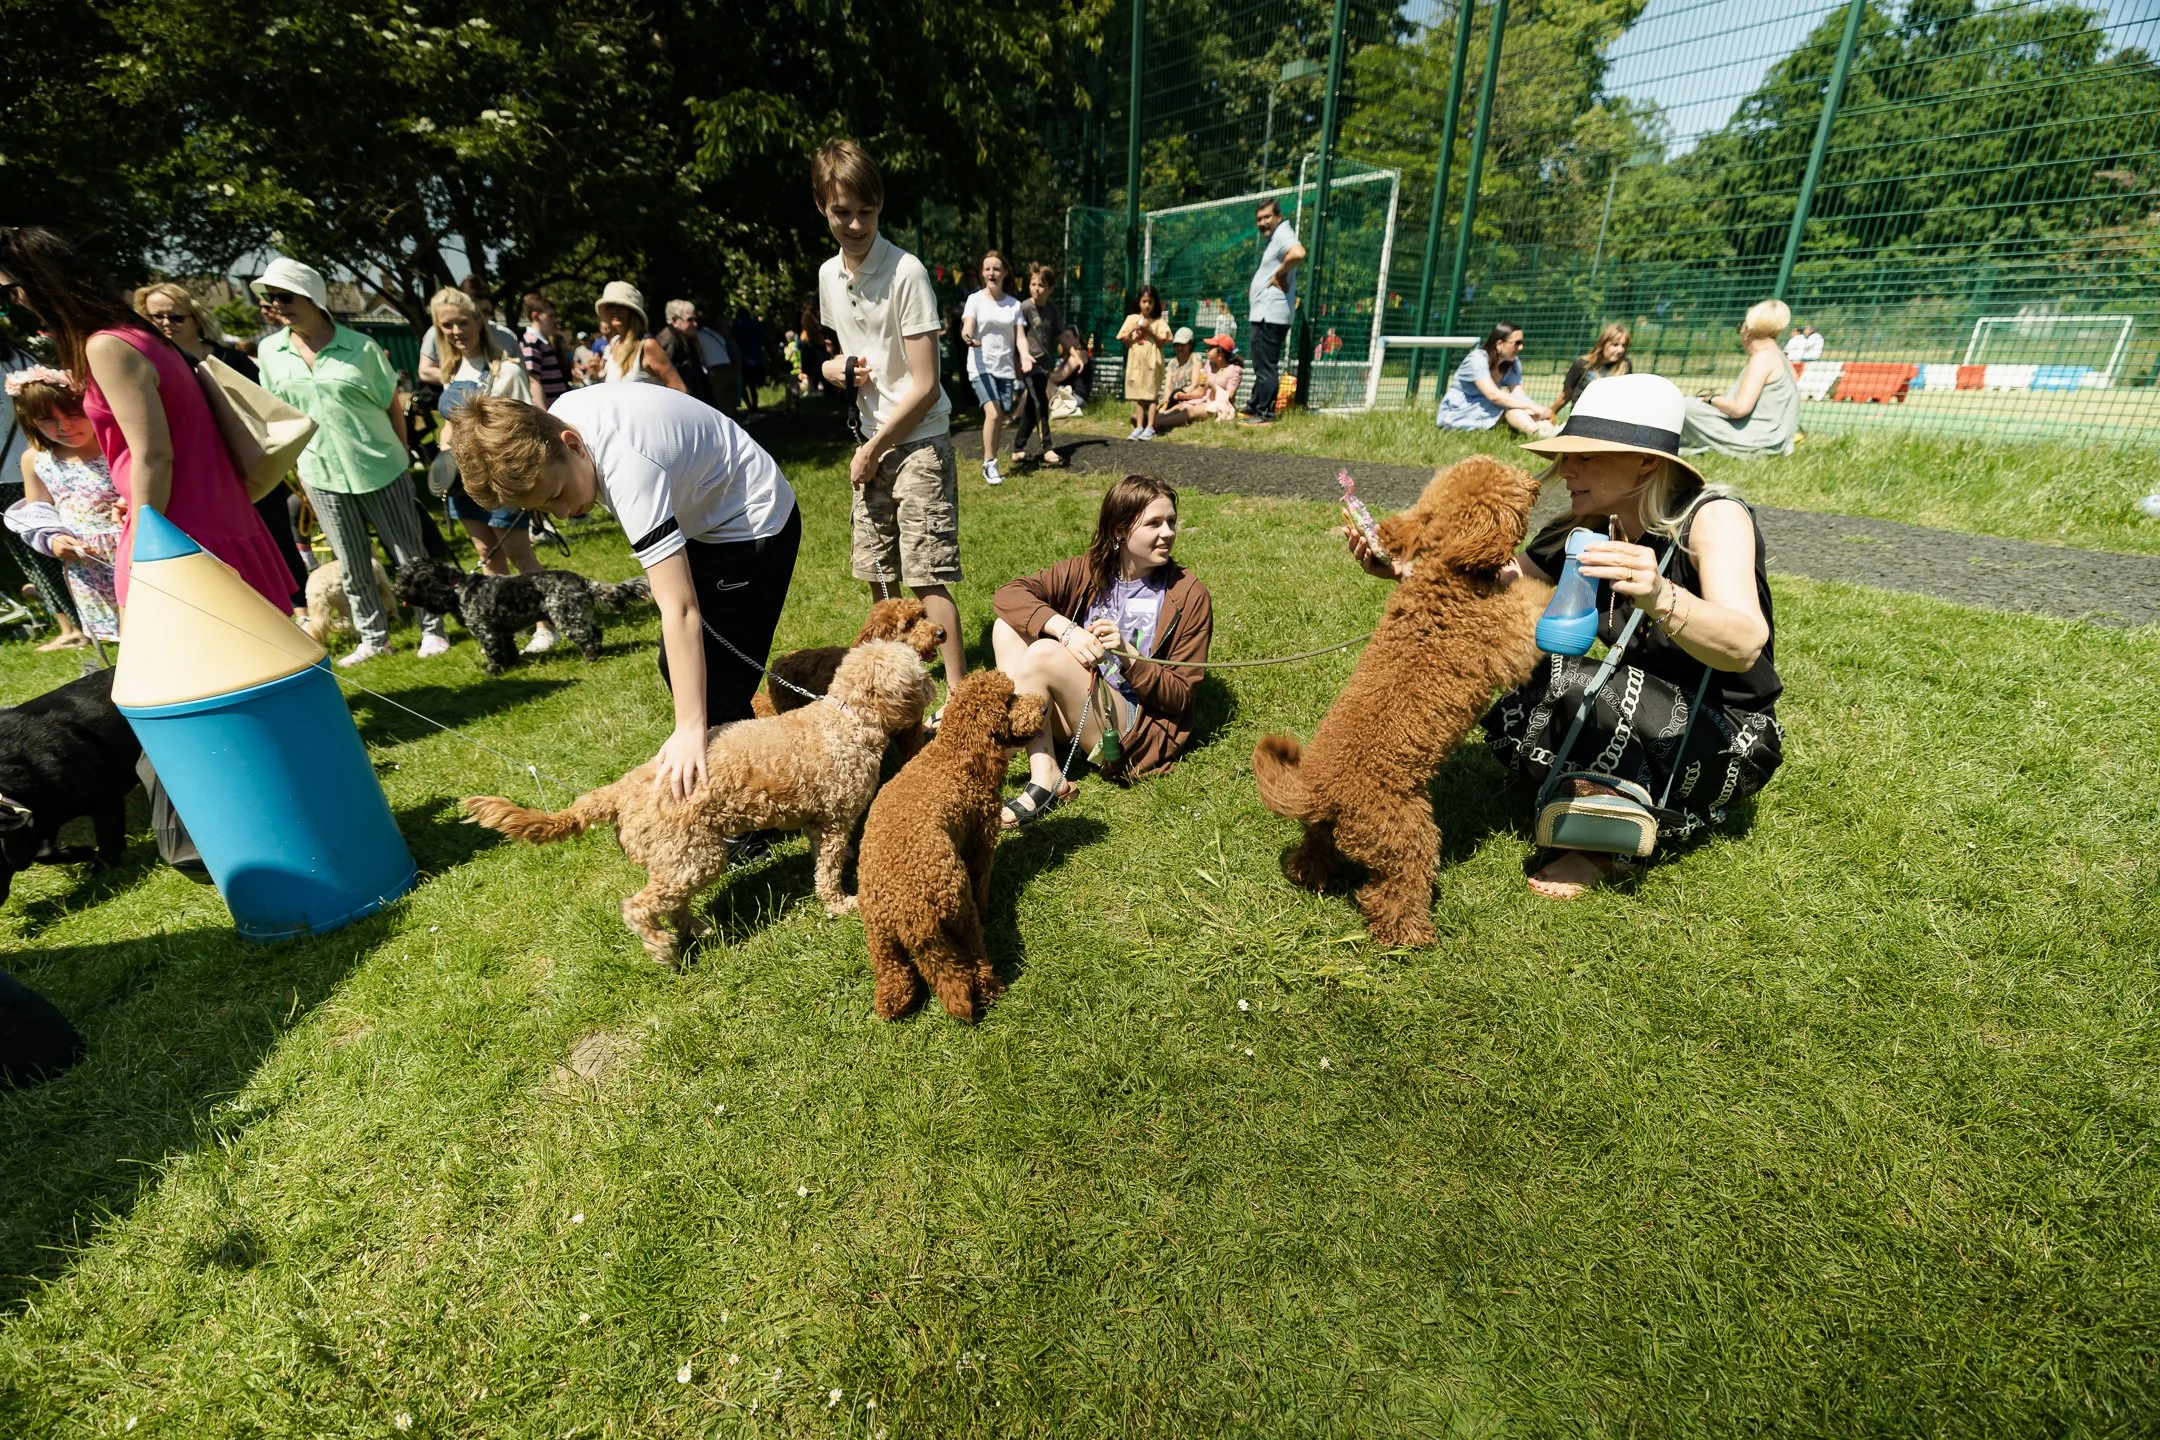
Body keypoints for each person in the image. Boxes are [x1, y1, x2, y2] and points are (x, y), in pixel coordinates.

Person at [1349, 373, 1781, 900]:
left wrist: (1659, 593)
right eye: (1565, 454)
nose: (1566, 468)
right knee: (1511, 671)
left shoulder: (1712, 518)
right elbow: (1500, 587)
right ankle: (1607, 794)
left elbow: (1744, 645)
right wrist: (1406, 570)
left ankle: (1603, 844)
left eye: (1586, 456)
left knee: (1573, 682)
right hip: (1637, 706)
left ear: (1647, 463)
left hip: (1728, 734)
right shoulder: (1589, 524)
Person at [444, 385, 799, 800]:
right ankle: (752, 779)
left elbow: (680, 609)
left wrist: (688, 729)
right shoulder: (556, 423)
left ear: (572, 445)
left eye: (557, 495)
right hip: (703, 517)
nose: (563, 513)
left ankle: (759, 804)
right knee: (684, 670)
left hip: (752, 521)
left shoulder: (628, 468)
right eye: (544, 509)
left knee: (718, 683)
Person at [0, 226, 291, 612]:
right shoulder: (135, 335)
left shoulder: (106, 345)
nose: (15, 302)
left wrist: (143, 532)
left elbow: (154, 454)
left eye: (10, 290)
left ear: (41, 281)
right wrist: (134, 499)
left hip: (177, 526)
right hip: (195, 512)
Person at [812, 136, 967, 686]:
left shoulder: (907, 273)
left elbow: (925, 385)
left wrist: (874, 449)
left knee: (926, 572)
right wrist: (833, 369)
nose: (856, 225)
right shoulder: (828, 276)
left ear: (880, 207)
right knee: (879, 575)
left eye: (868, 211)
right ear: (822, 207)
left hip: (918, 440)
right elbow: (839, 355)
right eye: (842, 212)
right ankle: (899, 688)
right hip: (870, 441)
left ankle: (956, 695)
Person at [253, 257, 449, 664]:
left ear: (311, 298)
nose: (277, 305)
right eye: (272, 297)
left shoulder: (362, 347)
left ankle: (433, 628)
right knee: (351, 562)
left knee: (409, 555)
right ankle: (374, 637)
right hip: (319, 472)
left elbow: (391, 405)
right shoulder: (270, 351)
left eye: (285, 296)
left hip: (380, 466)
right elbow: (278, 414)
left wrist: (401, 456)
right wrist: (295, 468)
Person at [991, 474, 1213, 827]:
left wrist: (1128, 656)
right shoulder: (1090, 570)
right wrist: (1067, 631)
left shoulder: (1188, 594)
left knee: (1044, 653)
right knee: (1007, 628)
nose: (1168, 533)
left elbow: (1180, 698)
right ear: (1120, 530)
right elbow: (1008, 596)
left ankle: (1038, 770)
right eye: (1154, 523)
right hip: (1079, 707)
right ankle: (1027, 748)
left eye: (1171, 521)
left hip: (1134, 730)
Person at [133, 280, 312, 612]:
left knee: (275, 532)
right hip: (197, 469)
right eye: (157, 317)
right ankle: (244, 610)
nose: (167, 323)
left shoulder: (231, 358)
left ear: (196, 318)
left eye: (176, 316)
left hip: (247, 461)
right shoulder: (152, 364)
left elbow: (264, 409)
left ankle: (297, 605)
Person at [427, 286, 563, 655]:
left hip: (499, 476)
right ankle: (506, 626)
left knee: (519, 552)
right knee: (488, 554)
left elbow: (521, 427)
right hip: (461, 479)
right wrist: (445, 445)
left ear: (479, 321)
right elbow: (450, 422)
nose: (456, 331)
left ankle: (546, 624)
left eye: (462, 322)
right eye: (447, 325)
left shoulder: (506, 370)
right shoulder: (451, 370)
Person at [4, 367, 113, 647]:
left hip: (135, 555)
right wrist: (53, 540)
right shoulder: (36, 460)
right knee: (122, 640)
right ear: (31, 420)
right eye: (47, 419)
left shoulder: (115, 446)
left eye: (74, 414)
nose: (63, 426)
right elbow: (37, 513)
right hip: (89, 567)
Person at [1681, 299, 1801, 460]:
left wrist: (1711, 399)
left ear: (1747, 330)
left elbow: (1739, 409)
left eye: (1740, 327)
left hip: (1755, 443)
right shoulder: (1780, 356)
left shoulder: (1763, 358)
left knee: (1684, 405)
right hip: (1773, 442)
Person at [961, 250, 1029, 485]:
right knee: (993, 412)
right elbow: (968, 326)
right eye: (987, 268)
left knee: (1001, 413)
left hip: (1005, 368)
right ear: (983, 273)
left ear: (1005, 273)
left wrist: (1025, 357)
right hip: (980, 366)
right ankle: (989, 463)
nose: (992, 273)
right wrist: (968, 338)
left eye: (996, 269)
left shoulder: (1014, 305)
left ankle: (991, 460)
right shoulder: (975, 300)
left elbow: (1020, 337)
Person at [1239, 197, 1306, 425]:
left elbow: (1298, 253)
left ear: (1278, 217)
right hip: (1263, 312)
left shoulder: (1283, 233)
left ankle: (1264, 413)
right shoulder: (1275, 239)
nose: (1263, 222)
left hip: (1271, 314)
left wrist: (1279, 273)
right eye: (1259, 219)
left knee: (1266, 364)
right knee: (1260, 362)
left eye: (1267, 217)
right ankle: (1255, 405)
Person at [1436, 322, 1556, 437]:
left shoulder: (1512, 363)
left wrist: (1537, 410)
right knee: (1511, 405)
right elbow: (1493, 395)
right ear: (1499, 344)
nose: (1521, 347)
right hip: (1461, 412)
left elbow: (1519, 395)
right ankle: (1538, 433)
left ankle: (1547, 430)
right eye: (1517, 343)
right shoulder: (1476, 359)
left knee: (1517, 406)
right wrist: (1532, 407)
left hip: (1487, 409)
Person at [1009, 264, 1066, 468]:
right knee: (1040, 401)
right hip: (1028, 364)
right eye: (1033, 284)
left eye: (1041, 285)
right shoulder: (1024, 308)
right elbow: (1016, 337)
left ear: (1050, 288)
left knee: (1032, 406)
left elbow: (1062, 335)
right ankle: (1047, 447)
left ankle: (1018, 448)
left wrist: (1076, 353)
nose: (1036, 289)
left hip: (1044, 364)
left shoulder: (1052, 310)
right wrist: (1018, 362)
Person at [418, 274, 520, 385]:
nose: (482, 318)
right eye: (476, 312)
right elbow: (424, 371)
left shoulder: (507, 336)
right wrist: (458, 378)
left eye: (487, 312)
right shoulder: (437, 333)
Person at [595, 282, 688, 391]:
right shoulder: (614, 342)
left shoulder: (647, 346)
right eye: (611, 306)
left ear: (633, 312)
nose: (615, 310)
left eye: (622, 306)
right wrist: (595, 375)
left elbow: (680, 389)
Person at [1155, 335, 1242, 433]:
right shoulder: (1209, 365)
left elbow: (1229, 397)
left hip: (1219, 406)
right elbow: (1201, 391)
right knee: (1181, 407)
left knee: (1190, 411)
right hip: (1203, 401)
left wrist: (1212, 386)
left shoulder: (1234, 370)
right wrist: (1184, 395)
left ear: (1220, 353)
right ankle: (1151, 420)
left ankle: (1155, 424)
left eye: (1210, 348)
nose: (1206, 350)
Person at [1117, 285, 1170, 440]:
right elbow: (1125, 342)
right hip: (1137, 363)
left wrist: (1149, 332)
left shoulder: (1158, 322)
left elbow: (1162, 343)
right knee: (1140, 395)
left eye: (1150, 302)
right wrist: (1132, 330)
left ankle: (1150, 427)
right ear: (1139, 302)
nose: (1147, 305)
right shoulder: (1131, 319)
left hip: (1152, 362)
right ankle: (1139, 426)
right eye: (1144, 301)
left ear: (1155, 304)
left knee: (1151, 394)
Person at [1556, 323, 1632, 413]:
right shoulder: (1582, 364)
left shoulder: (1625, 366)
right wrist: (1551, 412)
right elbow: (1566, 395)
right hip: (1581, 415)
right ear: (1603, 343)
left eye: (1624, 346)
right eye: (1615, 345)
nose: (1620, 350)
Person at [519, 292, 578, 404]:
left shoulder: (542, 341)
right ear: (536, 316)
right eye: (550, 316)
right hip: (548, 409)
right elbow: (533, 381)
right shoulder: (531, 342)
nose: (554, 320)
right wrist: (544, 411)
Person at [658, 299, 713, 406]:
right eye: (690, 320)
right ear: (674, 320)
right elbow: (666, 378)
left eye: (695, 319)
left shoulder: (689, 340)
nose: (695, 324)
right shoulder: (668, 341)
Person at [698, 315, 741, 413]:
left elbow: (701, 356)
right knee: (731, 403)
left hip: (716, 372)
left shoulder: (697, 336)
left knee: (721, 405)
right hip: (729, 368)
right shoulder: (715, 335)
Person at [733, 308, 768, 412]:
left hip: (742, 358)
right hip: (756, 358)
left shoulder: (738, 324)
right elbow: (764, 339)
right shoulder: (756, 324)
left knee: (743, 384)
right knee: (752, 385)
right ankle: (754, 406)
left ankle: (749, 406)